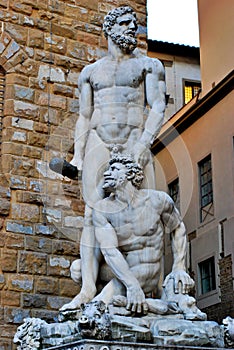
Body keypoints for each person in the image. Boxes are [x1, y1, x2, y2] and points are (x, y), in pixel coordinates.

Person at [61, 6, 166, 311]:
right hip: (98, 144)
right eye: (124, 23)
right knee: (92, 215)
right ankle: (88, 290)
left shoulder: (150, 66)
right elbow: (83, 115)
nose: (132, 28)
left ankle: (146, 289)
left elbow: (157, 106)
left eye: (135, 24)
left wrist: (143, 146)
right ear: (108, 29)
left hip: (134, 141)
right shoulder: (90, 72)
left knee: (144, 214)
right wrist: (78, 156)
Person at [89, 153, 195, 314]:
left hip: (149, 274)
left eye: (114, 169)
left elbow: (178, 227)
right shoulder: (102, 210)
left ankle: (148, 304)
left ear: (130, 174)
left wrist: (179, 267)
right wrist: (132, 286)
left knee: (98, 313)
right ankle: (152, 305)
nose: (106, 173)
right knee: (93, 310)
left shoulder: (158, 200)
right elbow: (109, 251)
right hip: (125, 274)